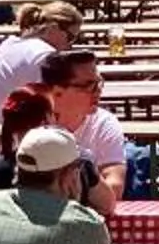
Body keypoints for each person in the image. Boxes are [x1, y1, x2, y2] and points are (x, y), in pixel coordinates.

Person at [37, 47, 129, 202]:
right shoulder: (31, 121)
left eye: (99, 83)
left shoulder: (104, 123)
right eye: (89, 86)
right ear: (57, 92)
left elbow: (114, 189)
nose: (98, 91)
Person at [0, 0, 76, 111]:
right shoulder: (46, 55)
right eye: (70, 37)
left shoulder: (8, 44)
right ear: (53, 28)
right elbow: (59, 104)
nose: (70, 46)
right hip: (13, 125)